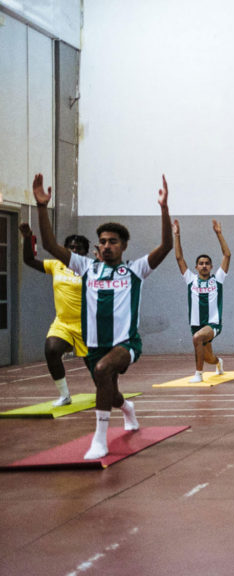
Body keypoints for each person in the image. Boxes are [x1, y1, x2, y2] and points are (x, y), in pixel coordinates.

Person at [32, 173, 172, 459]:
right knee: (108, 389)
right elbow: (49, 245)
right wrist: (42, 207)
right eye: (103, 241)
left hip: (126, 343)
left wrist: (164, 208)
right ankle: (127, 409)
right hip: (95, 345)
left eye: (113, 241)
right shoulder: (85, 267)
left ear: (123, 246)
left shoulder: (135, 270)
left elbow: (166, 247)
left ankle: (100, 440)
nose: (107, 245)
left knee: (102, 371)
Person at [19, 224, 90, 406]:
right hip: (63, 323)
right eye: (70, 247)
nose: (74, 250)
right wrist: (28, 237)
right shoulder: (56, 265)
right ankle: (65, 395)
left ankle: (108, 389)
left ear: (85, 252)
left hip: (87, 325)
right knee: (51, 350)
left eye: (78, 248)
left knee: (96, 367)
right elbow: (29, 260)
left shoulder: (90, 268)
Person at [172, 219, 231, 382]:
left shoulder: (217, 279)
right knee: (208, 358)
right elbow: (179, 258)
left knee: (197, 338)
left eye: (207, 263)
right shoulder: (190, 279)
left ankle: (198, 374)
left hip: (213, 324)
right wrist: (177, 235)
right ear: (196, 267)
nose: (204, 266)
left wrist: (219, 233)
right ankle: (218, 362)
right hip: (196, 324)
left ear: (211, 267)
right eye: (201, 264)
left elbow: (227, 255)